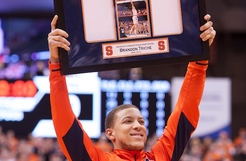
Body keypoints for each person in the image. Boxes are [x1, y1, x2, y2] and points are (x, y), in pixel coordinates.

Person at [47, 14, 216, 161]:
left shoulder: (161, 157)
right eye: (128, 121)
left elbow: (186, 108)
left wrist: (200, 55)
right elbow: (65, 123)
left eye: (141, 121)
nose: (138, 126)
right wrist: (56, 64)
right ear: (110, 133)